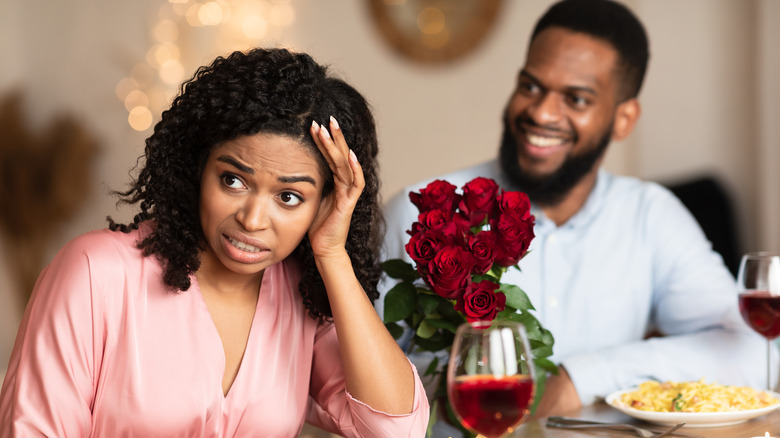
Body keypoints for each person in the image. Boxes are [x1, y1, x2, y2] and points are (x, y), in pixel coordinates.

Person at [0, 47, 429, 437]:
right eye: (233, 180)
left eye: (289, 197)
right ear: (197, 165)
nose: (252, 219)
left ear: (325, 203)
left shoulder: (300, 299)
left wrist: (332, 255)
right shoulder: (96, 272)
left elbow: (395, 429)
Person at [381, 0, 772, 425]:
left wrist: (583, 376)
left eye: (576, 98)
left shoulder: (650, 215)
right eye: (530, 86)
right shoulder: (419, 211)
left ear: (624, 119)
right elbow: (349, 381)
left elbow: (753, 350)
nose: (541, 112)